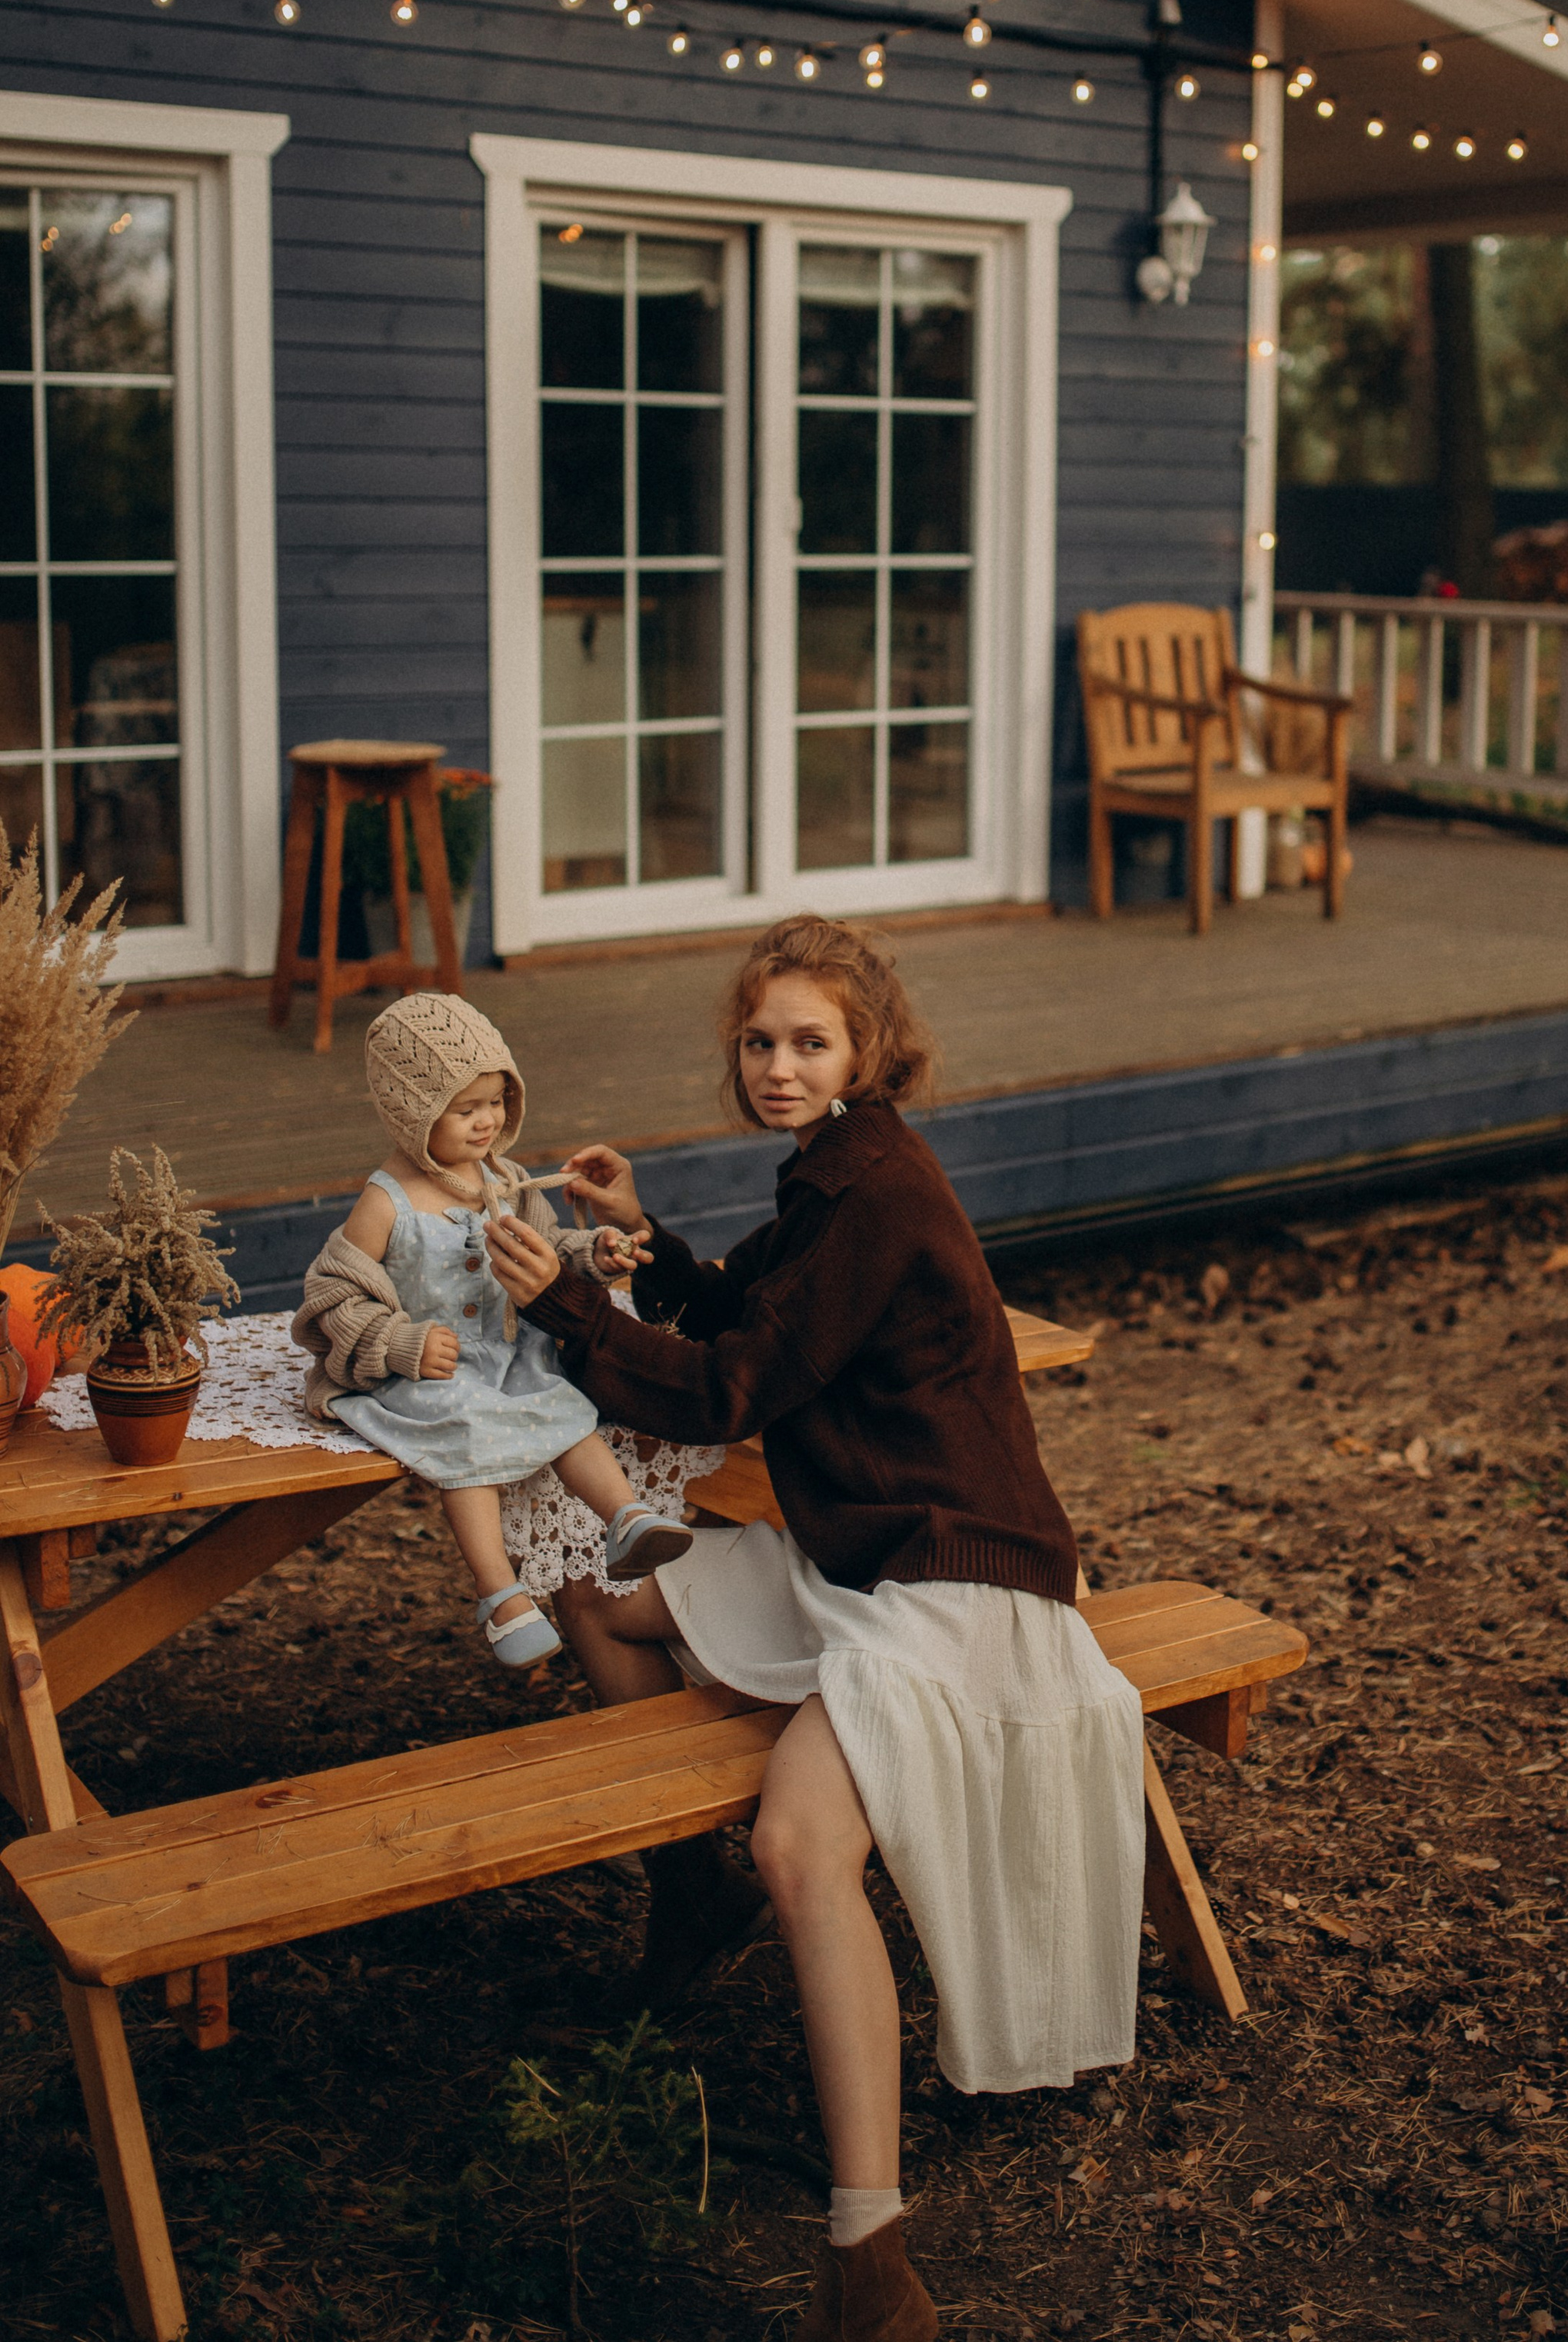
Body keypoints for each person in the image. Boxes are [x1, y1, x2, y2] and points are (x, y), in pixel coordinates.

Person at [484, 916, 1145, 2342]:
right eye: (761, 1040)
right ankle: (687, 1882)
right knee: (600, 1589)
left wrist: (566, 1303)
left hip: (955, 1583)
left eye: (810, 1042)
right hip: (858, 1554)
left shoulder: (882, 1193)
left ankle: (871, 2257)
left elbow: (732, 1390)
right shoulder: (843, 1174)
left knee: (799, 1842)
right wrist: (647, 1244)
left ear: (868, 1051)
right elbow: (759, 1316)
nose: (779, 1066)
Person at [294, 992, 699, 1666]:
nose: (488, 1121)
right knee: (468, 1435)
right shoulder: (387, 1200)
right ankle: (501, 1596)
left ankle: (627, 1519)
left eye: (496, 1101)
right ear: (413, 1112)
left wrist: (591, 1253)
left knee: (564, 1404)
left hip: (508, 1353)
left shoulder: (505, 1179)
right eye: (465, 1108)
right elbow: (333, 1292)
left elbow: (545, 1248)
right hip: (434, 1365)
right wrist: (402, 1342)